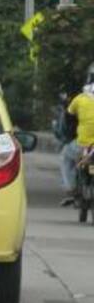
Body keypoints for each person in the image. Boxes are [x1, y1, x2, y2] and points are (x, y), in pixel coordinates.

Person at [61, 66, 94, 206]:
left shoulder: (80, 98)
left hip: (83, 144)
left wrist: (69, 136)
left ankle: (71, 189)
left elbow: (68, 119)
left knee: (66, 156)